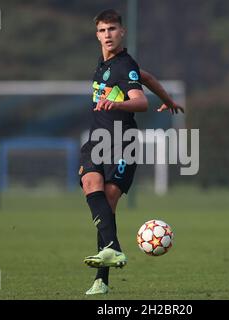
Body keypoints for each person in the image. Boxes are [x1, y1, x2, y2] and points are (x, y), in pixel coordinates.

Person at [79, 9, 183, 295]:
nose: (107, 35)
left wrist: (117, 104)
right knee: (91, 185)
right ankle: (112, 250)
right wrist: (169, 99)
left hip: (122, 142)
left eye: (112, 29)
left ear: (121, 32)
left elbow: (140, 103)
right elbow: (146, 77)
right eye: (102, 30)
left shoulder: (124, 65)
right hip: (97, 139)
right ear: (97, 34)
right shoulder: (105, 64)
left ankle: (102, 279)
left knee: (107, 206)